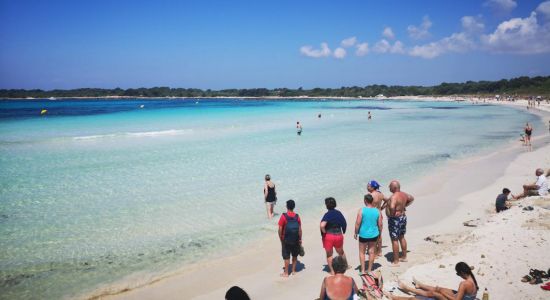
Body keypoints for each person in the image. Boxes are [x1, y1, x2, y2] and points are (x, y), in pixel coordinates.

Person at [385, 262, 478, 300]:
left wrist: (443, 294)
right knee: (439, 289)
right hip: (464, 298)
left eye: (458, 274)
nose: (459, 276)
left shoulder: (464, 284)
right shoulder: (472, 280)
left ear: (462, 272)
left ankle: (394, 297)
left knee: (434, 293)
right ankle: (417, 286)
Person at [385, 180, 414, 266]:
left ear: (394, 187)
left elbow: (392, 206)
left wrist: (392, 215)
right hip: (402, 217)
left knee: (394, 239)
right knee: (401, 237)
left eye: (390, 186)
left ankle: (396, 261)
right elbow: (411, 198)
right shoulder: (404, 194)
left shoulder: (394, 197)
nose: (389, 188)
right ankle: (404, 257)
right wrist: (403, 207)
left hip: (395, 219)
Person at [354, 194, 382, 274]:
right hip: (374, 234)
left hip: (363, 234)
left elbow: (357, 223)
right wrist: (379, 233)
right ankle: (369, 270)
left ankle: (362, 270)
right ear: (372, 201)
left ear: (365, 201)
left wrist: (356, 233)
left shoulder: (361, 210)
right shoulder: (377, 211)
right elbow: (380, 224)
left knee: (362, 252)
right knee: (372, 252)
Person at [320, 197, 348, 275]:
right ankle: (345, 266)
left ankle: (332, 271)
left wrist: (324, 232)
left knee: (329, 254)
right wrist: (344, 230)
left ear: (327, 205)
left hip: (329, 237)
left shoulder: (327, 214)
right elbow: (344, 223)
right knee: (341, 252)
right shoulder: (338, 213)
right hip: (339, 235)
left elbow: (322, 225)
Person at [278, 199, 302, 277]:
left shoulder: (284, 216)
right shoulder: (297, 216)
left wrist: (281, 238)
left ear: (287, 207)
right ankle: (293, 271)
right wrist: (300, 239)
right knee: (295, 255)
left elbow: (280, 229)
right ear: (294, 207)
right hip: (295, 240)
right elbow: (300, 229)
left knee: (286, 256)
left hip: (286, 240)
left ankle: (286, 273)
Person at [367, 180, 385, 257]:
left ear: (372, 187)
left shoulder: (370, 195)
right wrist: (381, 208)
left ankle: (374, 252)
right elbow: (388, 200)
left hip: (372, 216)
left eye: (368, 186)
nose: (367, 187)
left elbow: (368, 207)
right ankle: (379, 251)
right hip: (379, 214)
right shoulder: (380, 194)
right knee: (379, 234)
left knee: (372, 234)